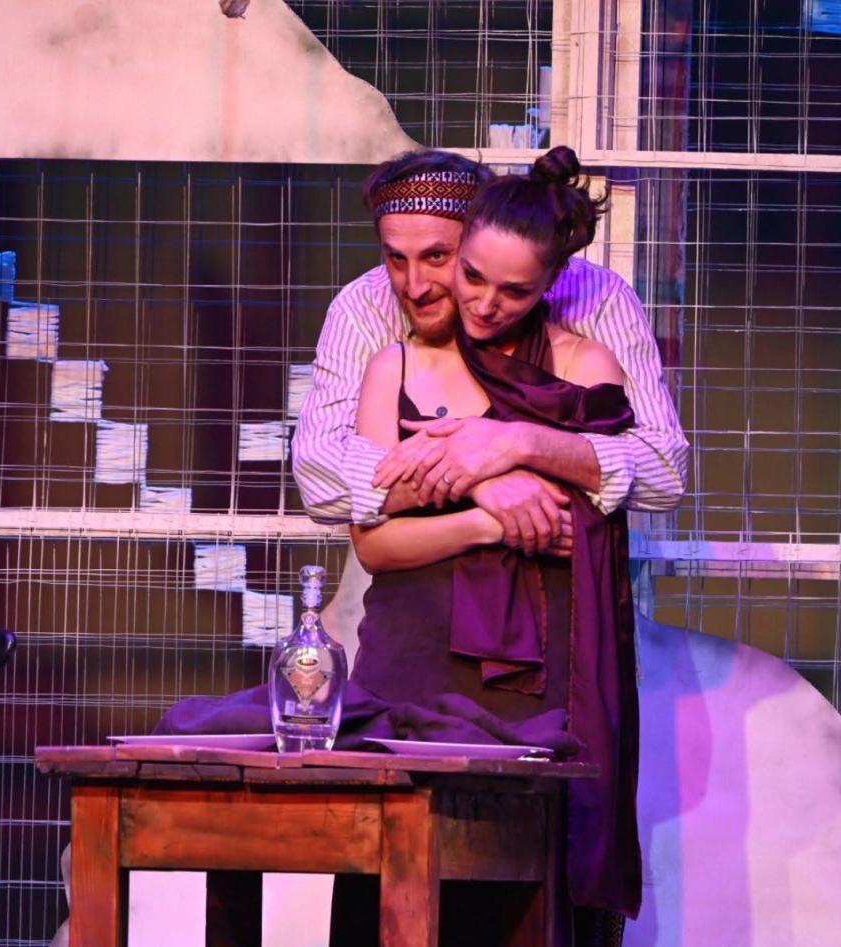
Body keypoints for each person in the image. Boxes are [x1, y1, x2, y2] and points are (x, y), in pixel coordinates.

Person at [331, 145, 643, 941]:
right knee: (390, 901)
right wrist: (485, 517)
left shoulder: (585, 364)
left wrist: (503, 450)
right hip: (408, 667)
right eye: (472, 276)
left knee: (517, 906)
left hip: (532, 687)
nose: (484, 303)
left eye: (515, 290)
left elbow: (590, 516)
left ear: (550, 283)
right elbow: (375, 544)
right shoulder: (395, 366)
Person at [291, 149, 688, 551]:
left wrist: (519, 444)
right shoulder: (363, 306)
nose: (415, 286)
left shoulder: (596, 297)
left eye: (437, 256)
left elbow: (664, 475)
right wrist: (477, 477)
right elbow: (319, 480)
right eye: (396, 258)